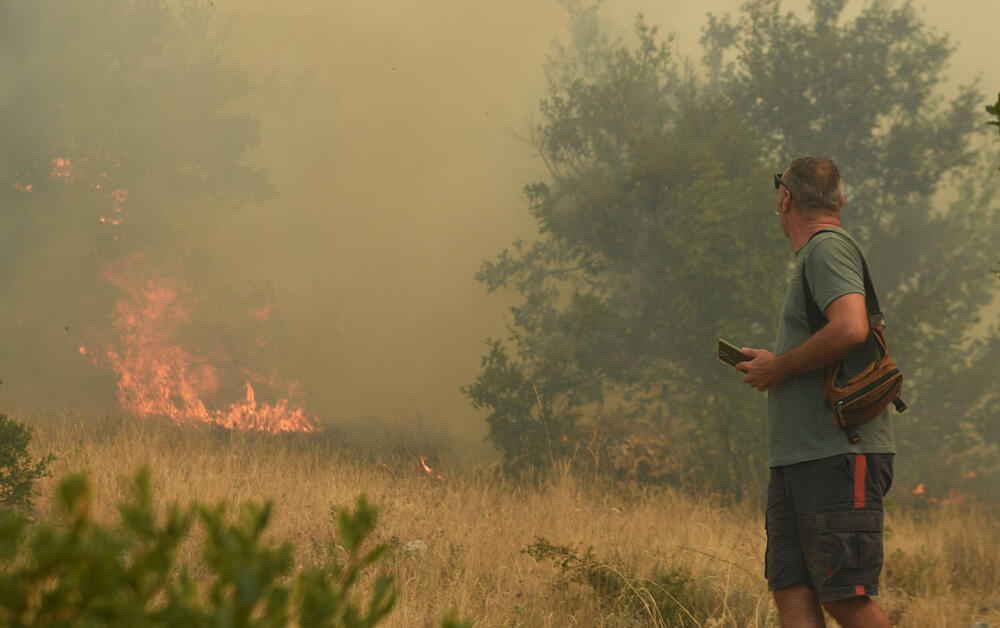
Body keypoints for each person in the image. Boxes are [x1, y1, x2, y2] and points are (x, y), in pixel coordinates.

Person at [734, 156, 895, 628]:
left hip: (836, 456)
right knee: (793, 590)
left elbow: (850, 327)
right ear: (839, 201)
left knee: (844, 597)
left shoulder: (827, 249)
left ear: (785, 199)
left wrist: (778, 368)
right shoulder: (818, 255)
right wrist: (777, 364)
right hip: (801, 457)